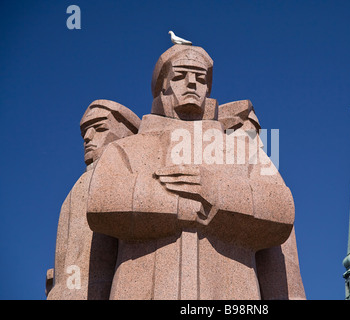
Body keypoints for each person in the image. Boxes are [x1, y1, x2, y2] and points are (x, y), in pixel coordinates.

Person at [86, 45, 304, 299]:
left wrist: (217, 193)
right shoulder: (127, 148)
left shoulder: (244, 150)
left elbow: (281, 208)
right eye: (180, 76)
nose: (192, 84)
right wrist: (179, 204)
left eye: (200, 79)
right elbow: (101, 201)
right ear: (163, 86)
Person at [47, 100, 140, 299]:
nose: (88, 138)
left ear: (126, 133)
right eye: (84, 133)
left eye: (99, 128)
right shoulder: (80, 184)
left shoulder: (124, 179)